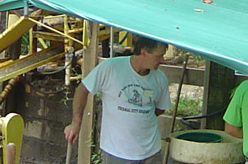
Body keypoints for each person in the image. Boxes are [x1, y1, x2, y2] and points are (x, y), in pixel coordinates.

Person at [64, 35, 171, 164]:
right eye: (158, 56)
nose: (162, 60)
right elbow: (83, 90)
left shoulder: (160, 79)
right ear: (143, 52)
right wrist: (76, 122)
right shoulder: (110, 68)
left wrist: (138, 115)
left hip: (151, 153)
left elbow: (160, 109)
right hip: (116, 153)